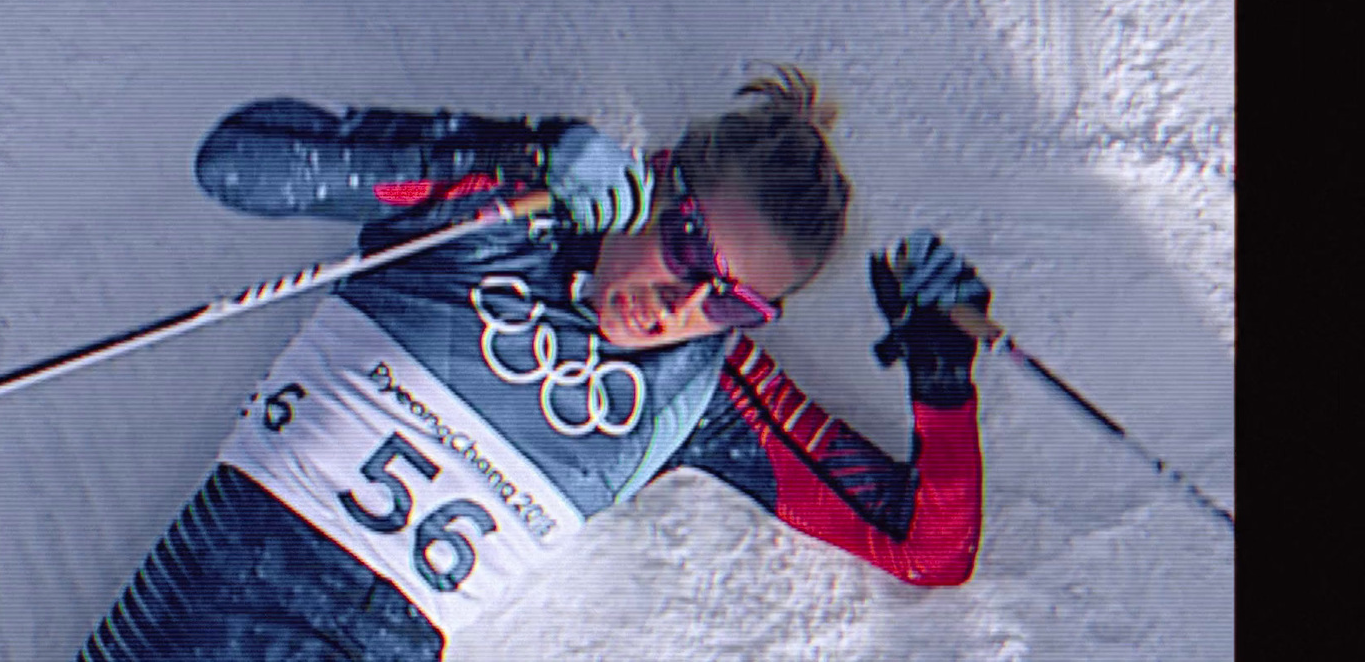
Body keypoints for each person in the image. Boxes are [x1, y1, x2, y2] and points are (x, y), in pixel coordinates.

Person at [75, 64, 988, 662]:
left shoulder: (702, 394)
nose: (682, 304)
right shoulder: (497, 218)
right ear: (659, 174)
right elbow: (238, 164)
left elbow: (926, 548)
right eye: (686, 245)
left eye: (731, 299)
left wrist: (941, 379)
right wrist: (513, 151)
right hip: (184, 623)